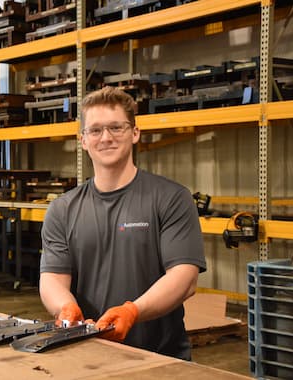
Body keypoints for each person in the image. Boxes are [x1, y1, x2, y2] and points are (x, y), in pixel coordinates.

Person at [39, 86, 206, 360]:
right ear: (82, 139)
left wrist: (133, 311)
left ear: (135, 133)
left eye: (116, 127)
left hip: (159, 360)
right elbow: (52, 279)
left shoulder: (171, 198)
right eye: (95, 130)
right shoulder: (62, 209)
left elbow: (184, 279)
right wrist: (65, 307)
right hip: (87, 355)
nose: (106, 137)